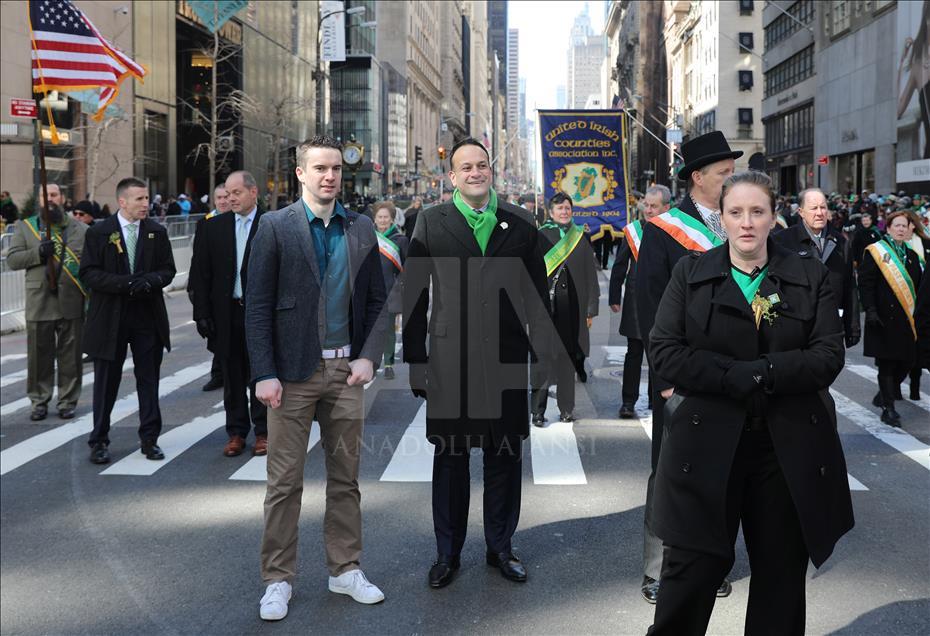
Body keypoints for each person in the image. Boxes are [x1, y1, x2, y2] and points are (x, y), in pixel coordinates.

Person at [646, 171, 854, 636]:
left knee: (779, 584)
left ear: (773, 217)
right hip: (704, 448)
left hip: (784, 451)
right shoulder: (690, 273)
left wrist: (761, 373)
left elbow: (827, 355)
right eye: (735, 212)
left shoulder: (810, 274)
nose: (746, 223)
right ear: (721, 219)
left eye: (757, 212)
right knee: (689, 577)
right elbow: (664, 352)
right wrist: (731, 375)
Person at [246, 135, 388, 620]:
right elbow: (258, 306)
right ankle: (278, 579)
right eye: (320, 168)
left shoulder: (361, 227)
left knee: (345, 479)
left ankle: (345, 568)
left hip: (346, 372)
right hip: (292, 375)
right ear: (301, 174)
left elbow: (377, 302)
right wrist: (264, 373)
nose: (330, 176)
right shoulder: (274, 227)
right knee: (284, 483)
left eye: (336, 170)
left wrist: (369, 357)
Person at [403, 137, 550, 589]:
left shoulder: (521, 224)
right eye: (466, 167)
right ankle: (447, 553)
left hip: (506, 358)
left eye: (481, 165)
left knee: (504, 458)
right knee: (451, 460)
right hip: (450, 364)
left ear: (492, 171)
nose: (475, 173)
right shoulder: (429, 222)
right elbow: (414, 298)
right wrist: (415, 361)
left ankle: (500, 549)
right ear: (452, 176)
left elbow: (536, 298)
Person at [635, 130, 740, 603]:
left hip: (736, 375)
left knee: (724, 471)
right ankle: (660, 568)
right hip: (683, 375)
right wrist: (664, 379)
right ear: (698, 177)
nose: (731, 182)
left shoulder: (743, 225)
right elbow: (650, 309)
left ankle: (709, 561)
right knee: (672, 472)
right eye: (724, 174)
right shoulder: (664, 231)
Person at [81, 177, 176, 464]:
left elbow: (168, 270)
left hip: (147, 316)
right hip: (111, 317)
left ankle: (150, 439)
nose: (146, 204)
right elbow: (89, 273)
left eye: (147, 199)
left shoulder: (156, 232)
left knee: (148, 381)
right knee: (106, 382)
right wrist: (124, 284)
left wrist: (148, 282)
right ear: (122, 202)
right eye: (139, 199)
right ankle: (99, 440)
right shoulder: (100, 233)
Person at [191, 171, 268, 457]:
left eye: (237, 193)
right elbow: (201, 274)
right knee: (232, 377)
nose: (230, 198)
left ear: (253, 192)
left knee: (262, 374)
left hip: (261, 315)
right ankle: (236, 432)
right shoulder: (213, 227)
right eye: (227, 193)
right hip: (226, 314)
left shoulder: (272, 224)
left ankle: (263, 432)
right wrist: (202, 315)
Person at [6, 183, 87, 421]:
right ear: (38, 200)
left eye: (53, 195)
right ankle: (39, 401)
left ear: (62, 198)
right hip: (39, 300)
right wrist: (38, 253)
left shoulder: (79, 228)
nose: (49, 199)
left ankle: (67, 401)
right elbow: (12, 259)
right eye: (45, 195)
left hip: (71, 300)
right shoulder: (25, 227)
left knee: (71, 356)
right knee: (38, 356)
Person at [531, 192, 599, 424]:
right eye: (560, 208)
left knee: (566, 361)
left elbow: (591, 275)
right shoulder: (540, 236)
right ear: (551, 212)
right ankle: (537, 411)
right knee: (541, 361)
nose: (564, 212)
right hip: (544, 311)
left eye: (567, 208)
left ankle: (566, 409)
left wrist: (591, 307)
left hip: (572, 312)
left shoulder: (580, 237)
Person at [609, 184, 670, 419]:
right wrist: (614, 296)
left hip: (666, 302)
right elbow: (620, 265)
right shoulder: (633, 231)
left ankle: (657, 399)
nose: (649, 210)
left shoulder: (675, 231)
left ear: (666, 207)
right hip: (636, 302)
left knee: (660, 354)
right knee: (634, 354)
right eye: (647, 205)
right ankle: (628, 401)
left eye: (654, 206)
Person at [774, 188, 861, 349]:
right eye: (814, 208)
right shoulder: (782, 240)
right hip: (794, 326)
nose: (820, 213)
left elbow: (849, 287)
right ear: (801, 212)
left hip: (831, 326)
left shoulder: (842, 243)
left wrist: (853, 327)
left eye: (823, 207)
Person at [859, 210, 923, 426]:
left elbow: (919, 289)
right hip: (883, 318)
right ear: (888, 228)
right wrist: (871, 310)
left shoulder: (913, 257)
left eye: (904, 226)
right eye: (897, 225)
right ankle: (888, 408)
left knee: (907, 361)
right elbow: (866, 284)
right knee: (886, 364)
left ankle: (884, 394)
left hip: (906, 319)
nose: (901, 229)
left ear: (909, 229)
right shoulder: (876, 252)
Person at [192, 184, 232, 393]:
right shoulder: (205, 224)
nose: (223, 201)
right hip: (213, 290)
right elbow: (198, 262)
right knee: (217, 337)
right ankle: (218, 375)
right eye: (219, 198)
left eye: (227, 196)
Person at [372, 200, 408, 380]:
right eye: (380, 217)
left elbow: (407, 268)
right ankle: (371, 362)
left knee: (388, 331)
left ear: (392, 219)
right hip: (371, 293)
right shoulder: (368, 237)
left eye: (386, 217)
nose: (383, 220)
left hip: (391, 292)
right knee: (371, 330)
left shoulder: (400, 240)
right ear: (375, 218)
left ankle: (389, 364)